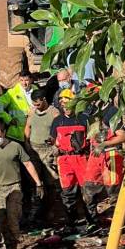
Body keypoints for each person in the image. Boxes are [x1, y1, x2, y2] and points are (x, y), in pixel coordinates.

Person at [0, 121, 43, 249]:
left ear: (4, 133)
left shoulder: (15, 147)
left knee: (13, 218)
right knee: (0, 219)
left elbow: (27, 164)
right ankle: (7, 245)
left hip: (13, 187)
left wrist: (38, 183)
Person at [50, 89, 91, 228]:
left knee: (87, 191)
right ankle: (72, 223)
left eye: (68, 104)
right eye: (63, 105)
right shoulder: (57, 121)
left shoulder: (84, 119)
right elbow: (53, 139)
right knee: (68, 192)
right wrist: (53, 148)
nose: (66, 108)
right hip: (65, 160)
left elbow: (91, 139)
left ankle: (92, 221)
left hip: (81, 158)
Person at [84, 97, 125, 214]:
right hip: (95, 155)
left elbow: (122, 137)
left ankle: (117, 220)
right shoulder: (89, 112)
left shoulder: (112, 111)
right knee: (89, 185)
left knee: (112, 189)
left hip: (111, 154)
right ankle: (93, 219)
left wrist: (104, 144)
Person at [24, 89, 61, 224]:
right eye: (34, 104)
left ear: (44, 100)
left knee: (50, 181)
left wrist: (54, 146)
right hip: (34, 149)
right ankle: (36, 211)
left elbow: (59, 131)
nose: (36, 107)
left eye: (38, 104)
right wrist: (26, 142)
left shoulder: (54, 113)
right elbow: (27, 126)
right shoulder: (32, 111)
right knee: (35, 181)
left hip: (48, 150)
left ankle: (50, 209)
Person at [0, 70, 37, 142]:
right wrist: (9, 119)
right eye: (21, 80)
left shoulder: (37, 91)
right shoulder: (12, 93)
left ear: (31, 80)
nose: (24, 83)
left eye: (26, 80)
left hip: (34, 132)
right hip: (16, 134)